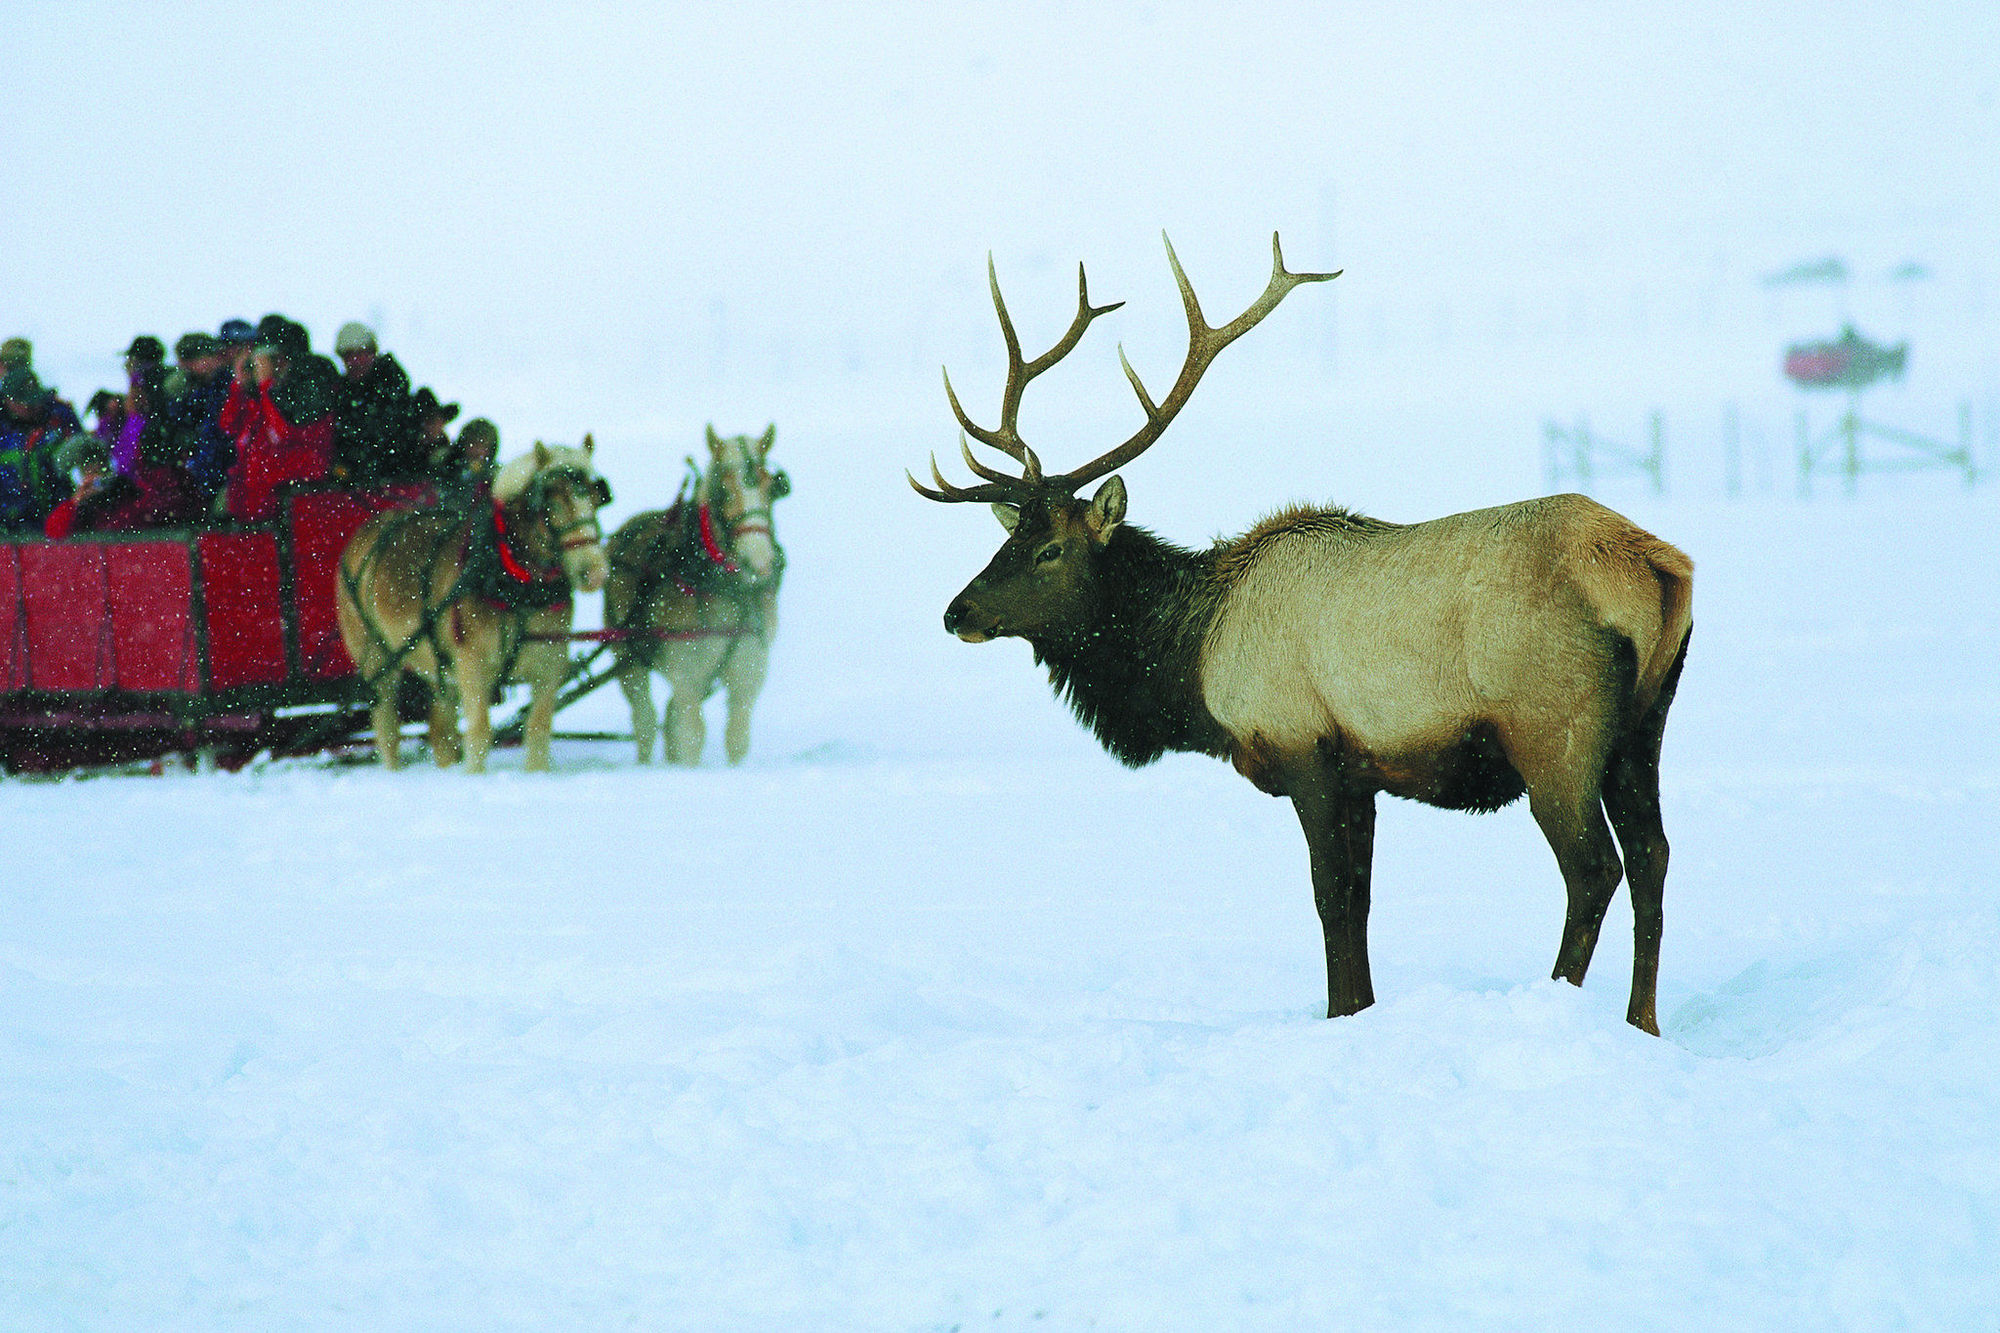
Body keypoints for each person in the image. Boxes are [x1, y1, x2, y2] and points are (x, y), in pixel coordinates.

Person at [218, 318, 339, 521]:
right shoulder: (266, 394)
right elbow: (229, 425)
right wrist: (239, 383)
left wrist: (266, 384)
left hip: (293, 500)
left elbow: (282, 433)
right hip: (258, 499)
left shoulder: (307, 385)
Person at [330, 321, 423, 482]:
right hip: (360, 486)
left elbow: (395, 435)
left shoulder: (391, 388)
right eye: (349, 355)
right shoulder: (343, 394)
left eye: (361, 354)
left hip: (396, 481)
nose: (355, 361)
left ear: (373, 354)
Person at [0, 368, 82, 532]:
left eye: (34, 400)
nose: (31, 407)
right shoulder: (3, 430)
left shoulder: (60, 419)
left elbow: (85, 457)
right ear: (7, 400)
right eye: (23, 402)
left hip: (57, 518)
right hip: (8, 523)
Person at [164, 332, 236, 506]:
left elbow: (217, 435)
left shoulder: (223, 387)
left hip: (221, 473)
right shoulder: (199, 392)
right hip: (208, 474)